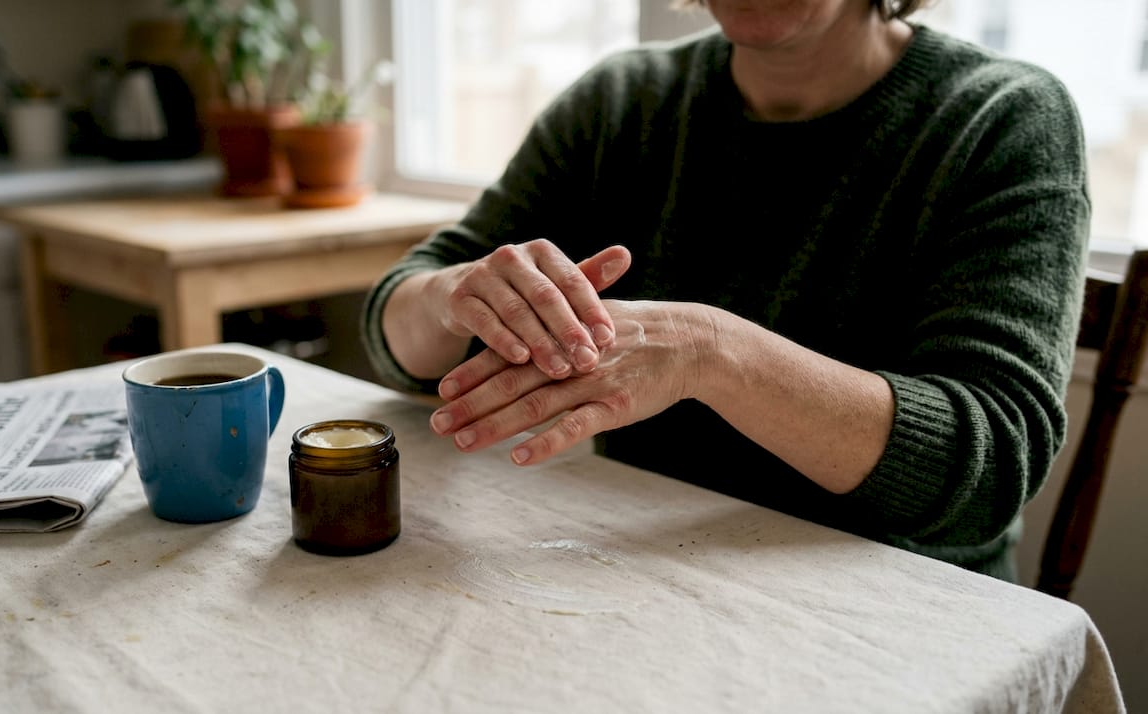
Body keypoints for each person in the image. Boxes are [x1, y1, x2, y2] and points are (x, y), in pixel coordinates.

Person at [361, 0, 1090, 582]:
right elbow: (396, 330)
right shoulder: (624, 100)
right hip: (642, 568)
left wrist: (714, 352)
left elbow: (992, 466)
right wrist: (452, 294)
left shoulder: (1002, 117)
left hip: (896, 601)